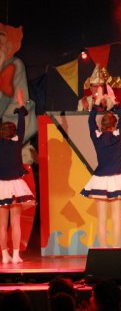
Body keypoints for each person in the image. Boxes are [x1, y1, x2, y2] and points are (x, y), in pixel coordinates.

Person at [81, 86, 121, 247]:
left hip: (100, 180)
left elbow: (90, 122)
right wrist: (115, 103)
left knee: (102, 219)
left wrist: (96, 104)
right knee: (116, 218)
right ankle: (116, 250)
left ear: (102, 125)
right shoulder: (118, 136)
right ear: (114, 125)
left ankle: (103, 250)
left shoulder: (97, 136)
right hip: (116, 179)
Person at [0, 89, 35, 264]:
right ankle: (15, 254)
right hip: (14, 186)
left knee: (2, 224)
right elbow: (22, 125)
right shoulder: (16, 142)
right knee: (15, 222)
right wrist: (21, 105)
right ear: (14, 134)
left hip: (1, 186)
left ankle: (5, 255)